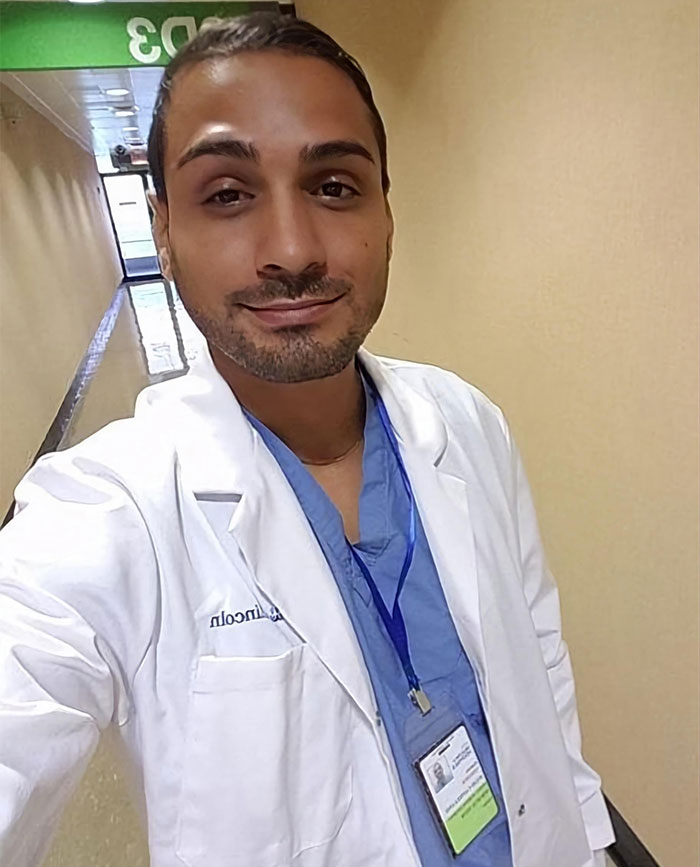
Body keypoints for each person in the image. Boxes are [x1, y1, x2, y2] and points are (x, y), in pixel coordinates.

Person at [0, 12, 615, 867]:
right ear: (164, 230)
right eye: (226, 194)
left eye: (333, 187)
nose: (291, 250)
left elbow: (540, 668)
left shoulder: (466, 421)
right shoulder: (104, 510)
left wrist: (584, 842)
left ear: (388, 210)